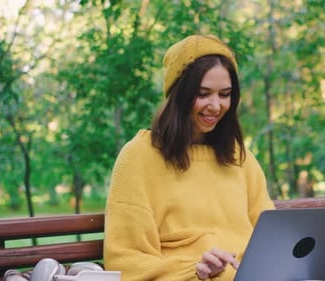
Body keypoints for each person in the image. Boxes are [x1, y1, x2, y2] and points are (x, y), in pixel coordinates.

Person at [103, 34, 274, 281]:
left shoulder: (240, 158)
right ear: (179, 94)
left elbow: (270, 238)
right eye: (203, 94)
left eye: (224, 94)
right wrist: (195, 269)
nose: (215, 106)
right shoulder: (138, 157)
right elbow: (125, 261)